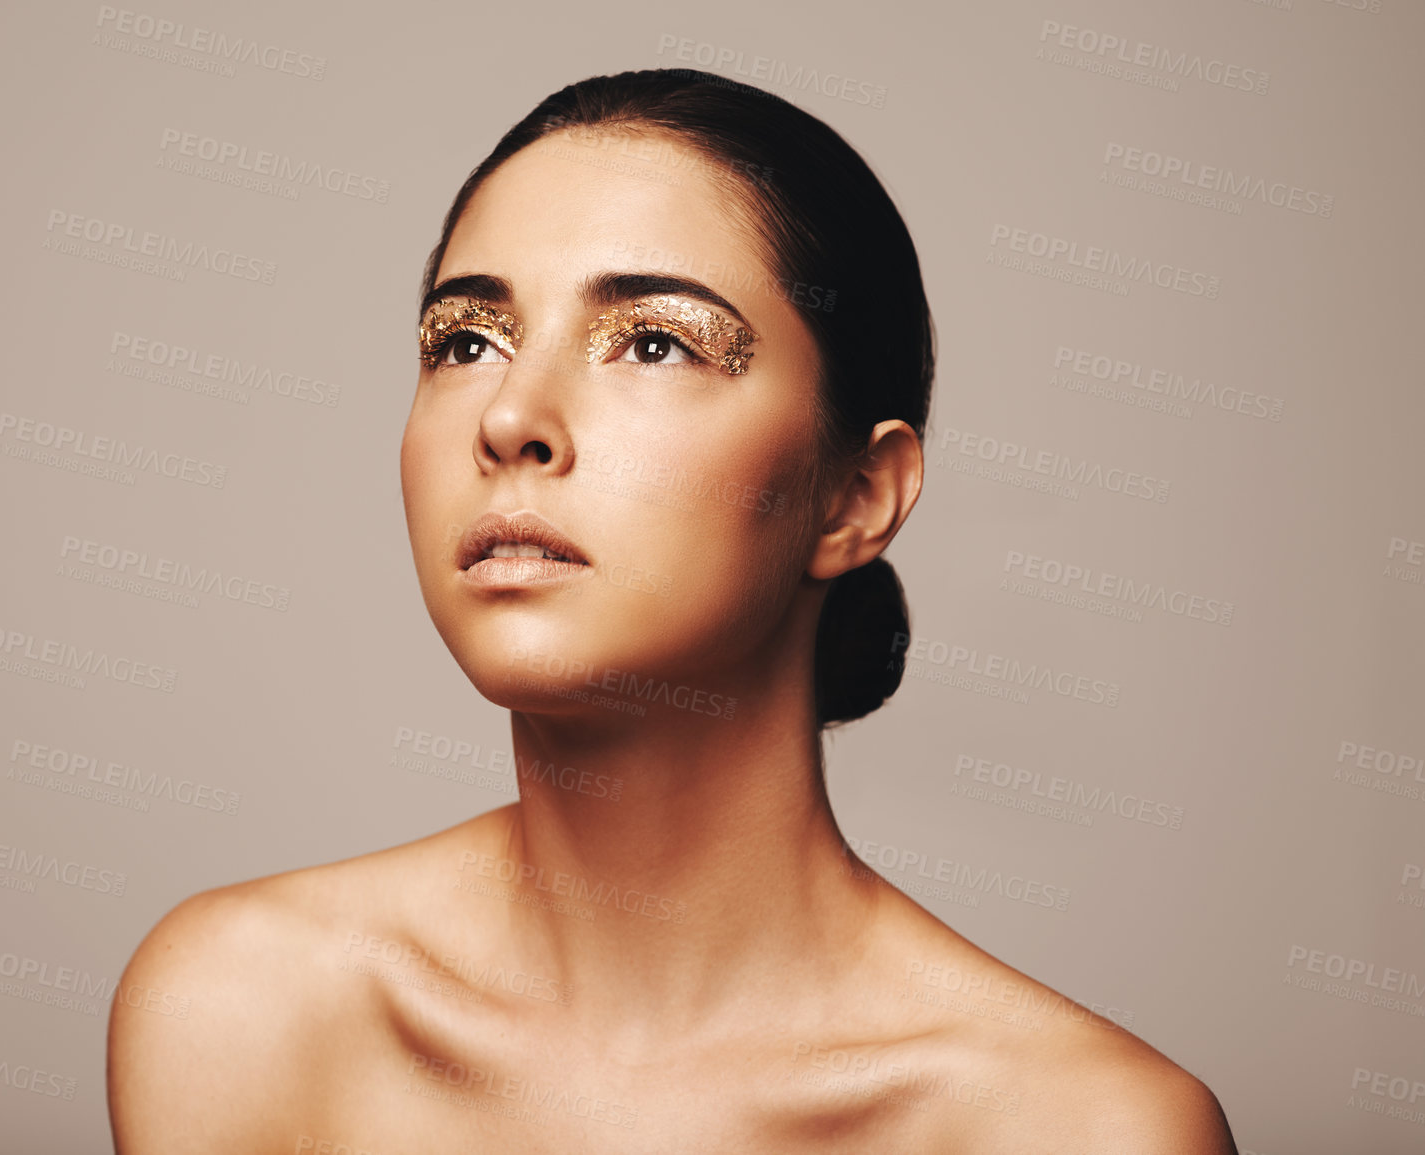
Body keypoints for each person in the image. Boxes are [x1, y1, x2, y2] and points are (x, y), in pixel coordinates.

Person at [107, 68, 1237, 1152]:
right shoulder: (244, 1012)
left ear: (857, 497)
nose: (509, 419)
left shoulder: (1080, 1128)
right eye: (466, 341)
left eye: (653, 342)